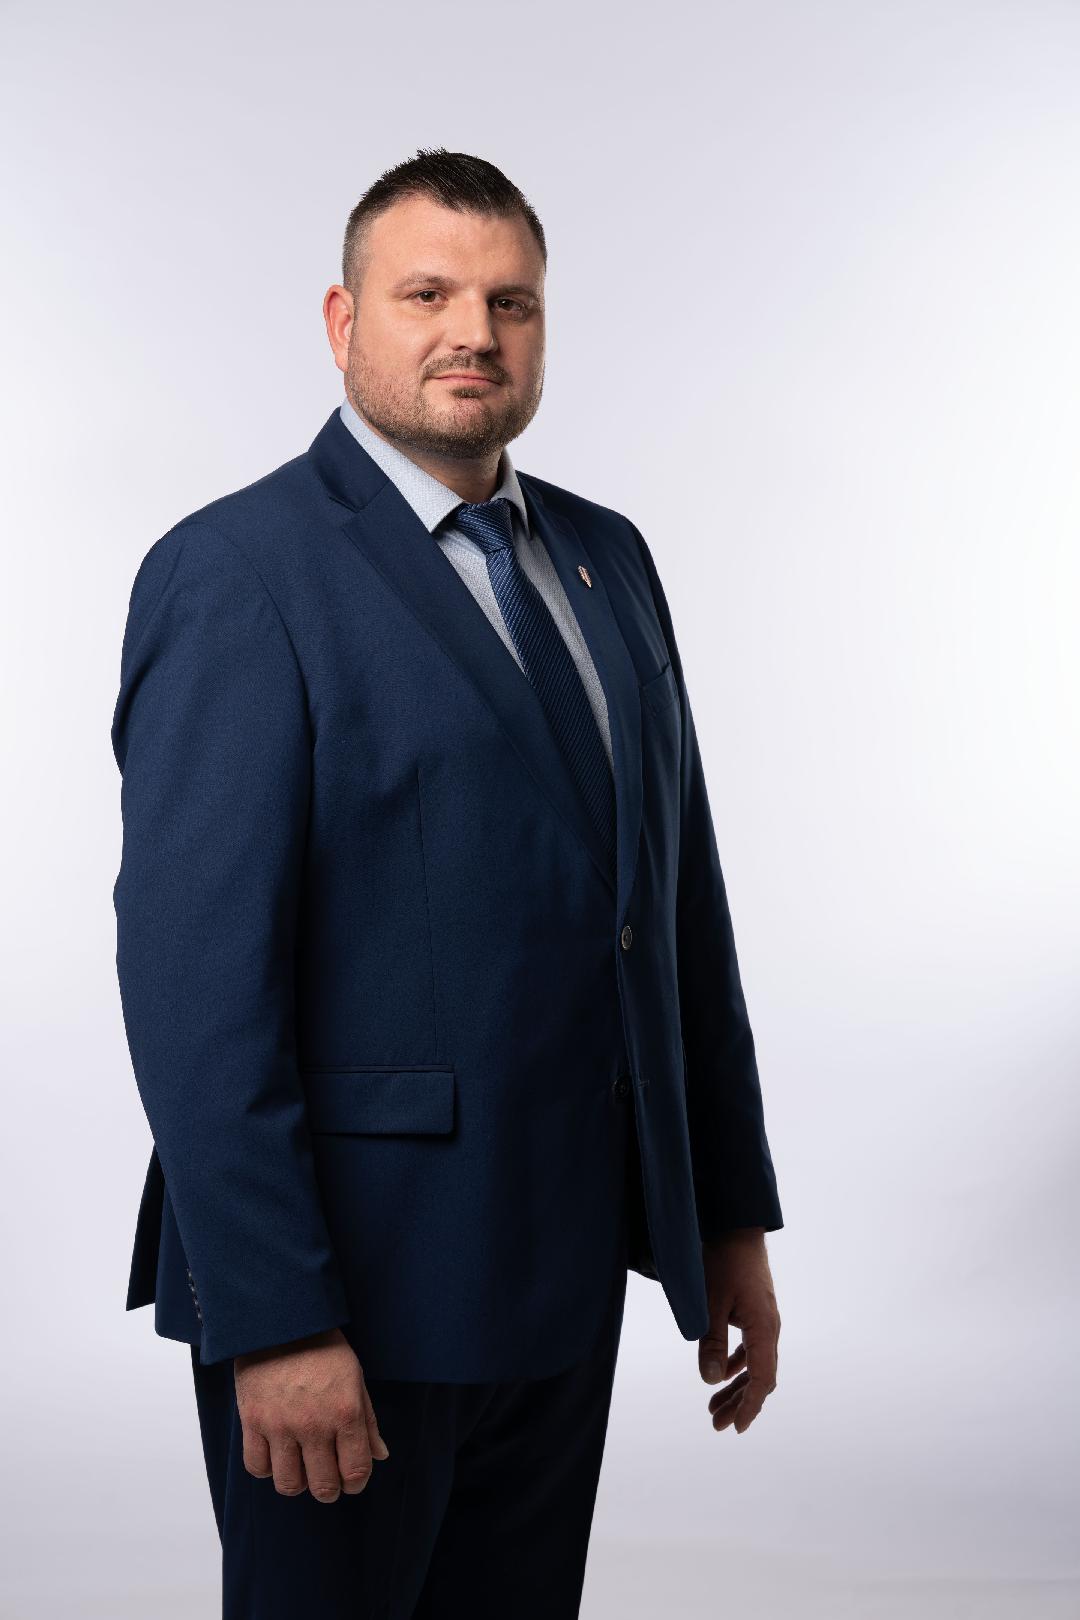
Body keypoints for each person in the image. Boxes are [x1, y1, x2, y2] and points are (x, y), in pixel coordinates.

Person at [110, 146, 784, 1619]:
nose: (474, 332)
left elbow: (675, 914)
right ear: (343, 320)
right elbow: (195, 992)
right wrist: (276, 1318)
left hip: (566, 1273)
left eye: (510, 302)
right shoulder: (237, 573)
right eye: (428, 295)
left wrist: (724, 1215)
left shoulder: (609, 559)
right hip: (351, 1297)